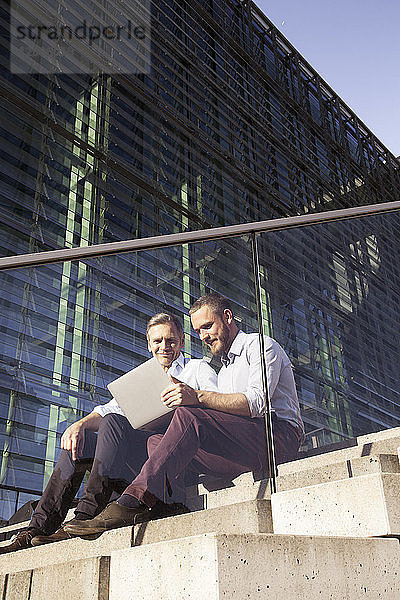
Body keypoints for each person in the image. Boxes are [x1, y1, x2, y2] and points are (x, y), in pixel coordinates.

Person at [64, 293, 304, 537]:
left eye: (207, 326)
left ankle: (132, 501)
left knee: (189, 415)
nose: (203, 336)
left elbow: (256, 403)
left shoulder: (260, 346)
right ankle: (167, 504)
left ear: (228, 317)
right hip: (242, 446)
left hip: (277, 436)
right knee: (155, 441)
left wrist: (195, 397)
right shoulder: (224, 367)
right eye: (198, 331)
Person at [0, 313, 217, 553]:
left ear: (182, 341)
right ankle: (38, 527)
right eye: (157, 341)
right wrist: (79, 425)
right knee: (81, 442)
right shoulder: (142, 378)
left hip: (168, 462)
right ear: (148, 344)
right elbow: (106, 410)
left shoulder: (196, 369)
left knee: (113, 422)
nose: (164, 347)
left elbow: (216, 411)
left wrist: (189, 398)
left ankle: (84, 515)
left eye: (170, 340)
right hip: (134, 460)